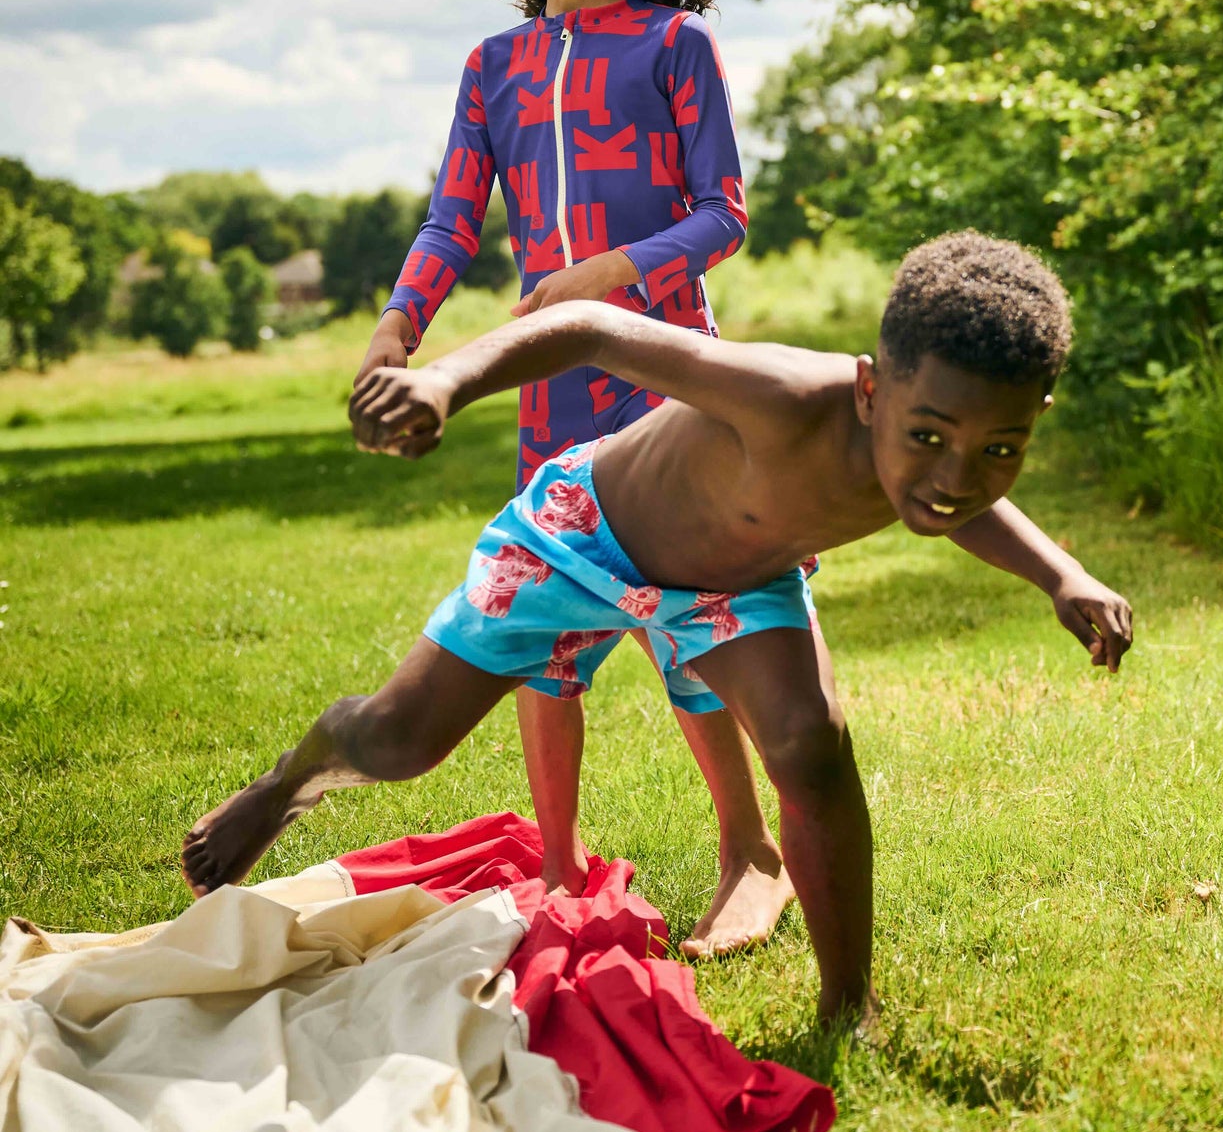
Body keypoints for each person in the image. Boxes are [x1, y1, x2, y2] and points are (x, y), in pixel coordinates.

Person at [183, 232, 1134, 1026]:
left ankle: (850, 1003)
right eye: (928, 436)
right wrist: (442, 382)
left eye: (999, 448)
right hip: (579, 540)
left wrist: (1062, 573)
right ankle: (287, 783)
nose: (957, 473)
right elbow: (590, 325)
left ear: (1033, 419)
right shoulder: (781, 396)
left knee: (812, 746)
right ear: (869, 391)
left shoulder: (939, 466)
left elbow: (954, 503)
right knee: (397, 742)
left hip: (732, 585)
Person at [352, 0, 794, 957]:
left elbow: (722, 214)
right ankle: (554, 872)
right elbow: (453, 220)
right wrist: (402, 320)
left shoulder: (673, 44)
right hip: (550, 393)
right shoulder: (493, 62)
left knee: (687, 609)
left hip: (666, 377)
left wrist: (605, 275)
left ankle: (753, 853)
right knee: (542, 615)